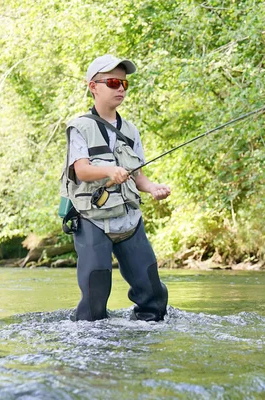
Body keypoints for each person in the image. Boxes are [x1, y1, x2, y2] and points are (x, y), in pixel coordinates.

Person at [60, 54, 170, 322]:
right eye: (112, 82)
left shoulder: (131, 130)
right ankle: (91, 347)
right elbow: (82, 170)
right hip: (91, 220)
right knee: (95, 301)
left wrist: (153, 188)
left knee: (154, 297)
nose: (120, 88)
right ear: (93, 86)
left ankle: (142, 341)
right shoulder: (80, 127)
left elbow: (139, 178)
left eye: (124, 83)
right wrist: (109, 170)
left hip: (129, 219)